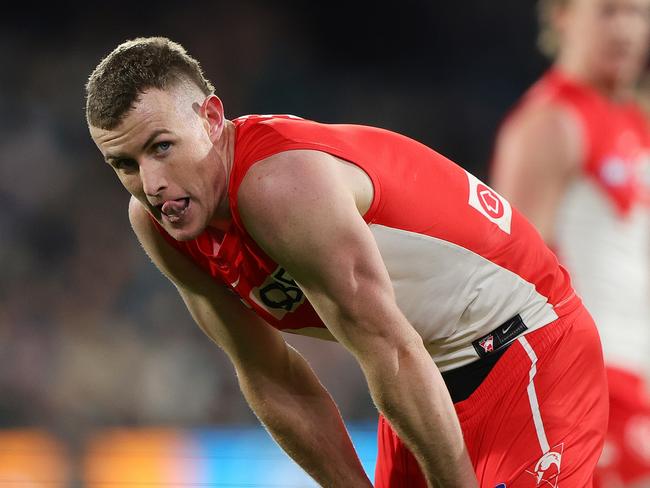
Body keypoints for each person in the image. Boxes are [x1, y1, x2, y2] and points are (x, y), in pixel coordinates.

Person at [85, 37, 608, 487]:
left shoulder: (279, 185)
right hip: (425, 376)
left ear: (213, 119)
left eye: (161, 147)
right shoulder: (159, 224)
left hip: (527, 349)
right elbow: (272, 377)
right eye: (124, 164)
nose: (151, 184)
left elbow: (389, 348)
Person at [490, 0, 650, 486]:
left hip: (638, 374)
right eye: (608, 12)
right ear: (562, 16)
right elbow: (507, 277)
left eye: (639, 14)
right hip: (589, 385)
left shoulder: (635, 120)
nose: (625, 29)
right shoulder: (546, 125)